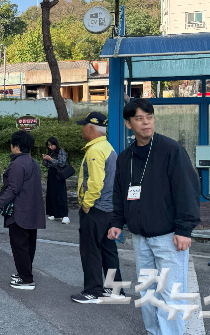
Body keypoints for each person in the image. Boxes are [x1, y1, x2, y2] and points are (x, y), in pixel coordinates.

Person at [109, 99, 200, 334]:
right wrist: (117, 222)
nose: (146, 122)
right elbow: (119, 192)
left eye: (149, 117)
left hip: (169, 236)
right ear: (128, 124)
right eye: (139, 118)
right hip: (141, 237)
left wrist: (184, 229)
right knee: (147, 291)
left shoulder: (170, 150)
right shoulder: (125, 157)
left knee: (171, 293)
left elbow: (186, 189)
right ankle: (154, 331)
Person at [71, 112, 123, 304]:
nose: (81, 129)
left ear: (91, 128)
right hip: (109, 208)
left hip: (96, 209)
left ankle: (93, 290)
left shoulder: (94, 150)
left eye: (83, 126)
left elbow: (95, 182)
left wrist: (86, 204)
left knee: (91, 249)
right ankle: (114, 289)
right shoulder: (107, 147)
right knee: (108, 249)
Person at [0, 130, 45, 289]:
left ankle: (27, 279)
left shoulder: (17, 164)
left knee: (19, 245)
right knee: (29, 244)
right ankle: (24, 273)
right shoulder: (33, 162)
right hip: (33, 210)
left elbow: (13, 189)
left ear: (16, 146)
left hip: (20, 212)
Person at [43, 136, 70, 224]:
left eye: (51, 145)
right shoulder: (51, 152)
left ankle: (64, 215)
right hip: (51, 174)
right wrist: (45, 160)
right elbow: (48, 165)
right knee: (52, 194)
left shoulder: (61, 151)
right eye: (48, 145)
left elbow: (62, 163)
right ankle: (54, 213)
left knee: (60, 194)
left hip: (59, 175)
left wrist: (51, 159)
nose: (50, 147)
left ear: (55, 144)